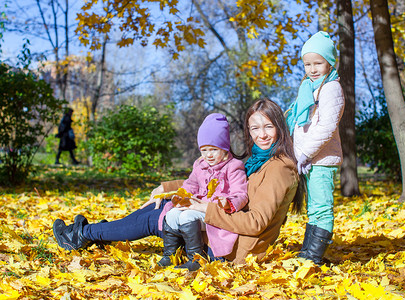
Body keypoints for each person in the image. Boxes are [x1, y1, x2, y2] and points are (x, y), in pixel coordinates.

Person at [53, 98, 302, 267]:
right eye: (255, 128)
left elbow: (256, 222)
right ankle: (93, 234)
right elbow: (212, 182)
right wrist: (167, 188)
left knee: (155, 217)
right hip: (221, 230)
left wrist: (206, 209)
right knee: (158, 208)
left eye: (268, 126)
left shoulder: (279, 168)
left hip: (230, 248)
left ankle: (83, 234)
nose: (262, 135)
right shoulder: (258, 161)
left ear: (279, 127)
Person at [157, 113, 248, 271]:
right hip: (197, 206)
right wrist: (182, 195)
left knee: (186, 216)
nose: (208, 155)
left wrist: (229, 202)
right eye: (204, 150)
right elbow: (191, 184)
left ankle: (196, 258)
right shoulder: (200, 164)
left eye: (214, 149)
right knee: (172, 214)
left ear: (225, 148)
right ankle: (170, 255)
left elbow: (241, 193)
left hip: (216, 212)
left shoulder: (233, 166)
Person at [285, 31, 345, 265]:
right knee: (314, 209)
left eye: (318, 63)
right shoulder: (308, 88)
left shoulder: (331, 89)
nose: (312, 69)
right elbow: (299, 125)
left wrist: (305, 153)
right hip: (307, 159)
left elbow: (327, 127)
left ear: (330, 62)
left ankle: (313, 257)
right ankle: (307, 252)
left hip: (321, 159)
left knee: (321, 208)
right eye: (307, 64)